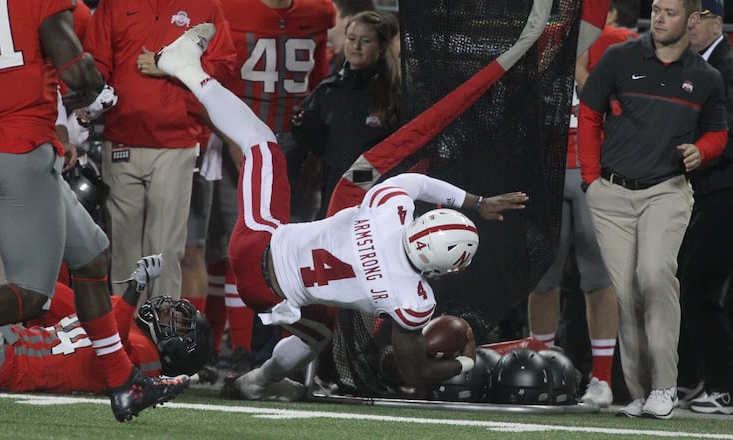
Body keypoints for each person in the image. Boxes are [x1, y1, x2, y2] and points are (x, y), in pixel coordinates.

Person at [153, 24, 529, 400]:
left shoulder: (388, 210)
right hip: (271, 298)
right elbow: (414, 370)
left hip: (257, 244)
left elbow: (421, 186)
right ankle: (259, 380)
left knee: (261, 143)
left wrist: (476, 202)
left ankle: (186, 68)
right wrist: (468, 362)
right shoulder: (409, 298)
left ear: (422, 221)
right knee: (319, 334)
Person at [0, 0, 189, 422]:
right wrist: (93, 82)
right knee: (29, 295)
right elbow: (77, 70)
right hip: (22, 152)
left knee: (92, 256)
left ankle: (123, 381)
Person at [578, 0, 728, 419]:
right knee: (626, 293)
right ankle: (641, 392)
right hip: (611, 194)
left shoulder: (706, 77)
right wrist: (592, 181)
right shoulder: (620, 57)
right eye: (656, 10)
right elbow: (589, 114)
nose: (659, 18)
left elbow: (718, 132)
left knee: (655, 275)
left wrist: (701, 151)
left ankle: (665, 386)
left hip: (666, 191)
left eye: (670, 12)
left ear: (692, 20)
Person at [201, 0, 336, 390]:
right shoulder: (230, 9)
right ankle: (240, 348)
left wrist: (314, 143)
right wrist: (233, 140)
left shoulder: (318, 12)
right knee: (240, 248)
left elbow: (319, 83)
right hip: (245, 139)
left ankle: (280, 354)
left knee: (295, 257)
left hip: (293, 146)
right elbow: (216, 82)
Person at [83, 0, 237, 300]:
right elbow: (95, 63)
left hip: (175, 142)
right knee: (123, 250)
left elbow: (226, 65)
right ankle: (124, 338)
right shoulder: (114, 4)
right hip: (121, 139)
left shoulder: (205, 6)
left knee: (165, 250)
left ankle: (159, 340)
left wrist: (173, 65)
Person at [526, 0, 639, 409]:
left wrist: (577, 67)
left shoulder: (616, 41)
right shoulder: (535, 42)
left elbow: (624, 104)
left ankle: (603, 379)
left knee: (598, 279)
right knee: (543, 278)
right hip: (547, 170)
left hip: (595, 169)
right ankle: (537, 366)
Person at [0, 255, 211, 394]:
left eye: (175, 320)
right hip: (7, 340)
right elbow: (54, 297)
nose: (165, 309)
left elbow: (111, 347)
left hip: (0, 363)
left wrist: (134, 291)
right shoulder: (122, 314)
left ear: (175, 349)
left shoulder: (146, 358)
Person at [677, 0, 733, 415]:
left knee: (696, 285)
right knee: (691, 283)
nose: (691, 26)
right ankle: (694, 377)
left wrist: (698, 151)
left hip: (723, 189)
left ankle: (721, 384)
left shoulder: (725, 67)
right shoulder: (693, 64)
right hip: (707, 190)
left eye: (699, 19)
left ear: (717, 21)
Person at [292, 10, 402, 220]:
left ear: (381, 46)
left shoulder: (397, 93)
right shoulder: (329, 89)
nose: (356, 47)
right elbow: (315, 144)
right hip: (333, 190)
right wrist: (301, 125)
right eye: (352, 39)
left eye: (366, 40)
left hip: (376, 198)